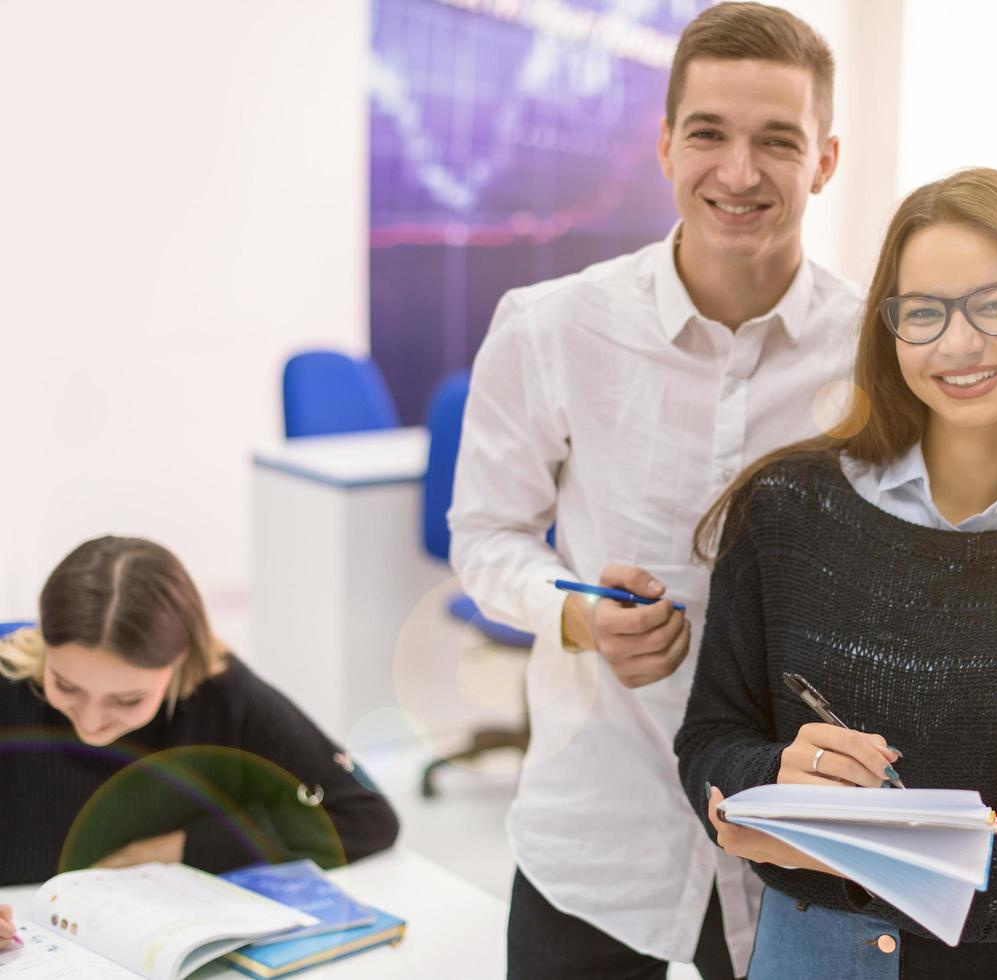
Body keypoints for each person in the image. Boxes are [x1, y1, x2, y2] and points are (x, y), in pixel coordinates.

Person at [675, 168, 997, 979]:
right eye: (923, 312)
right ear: (888, 331)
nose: (957, 345)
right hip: (808, 953)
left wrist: (846, 853)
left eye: (993, 305)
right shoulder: (783, 507)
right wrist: (765, 781)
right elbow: (713, 738)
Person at [446, 4, 862, 976]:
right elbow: (485, 536)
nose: (738, 171)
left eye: (778, 141)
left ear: (826, 162)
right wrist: (579, 613)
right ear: (666, 143)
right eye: (709, 133)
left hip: (791, 849)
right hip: (596, 834)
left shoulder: (873, 353)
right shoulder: (550, 326)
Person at [0, 536, 398, 898]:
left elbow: (362, 815)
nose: (90, 723)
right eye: (66, 686)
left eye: (128, 699)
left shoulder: (223, 696)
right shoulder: (7, 685)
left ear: (180, 662)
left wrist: (179, 848)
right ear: (46, 645)